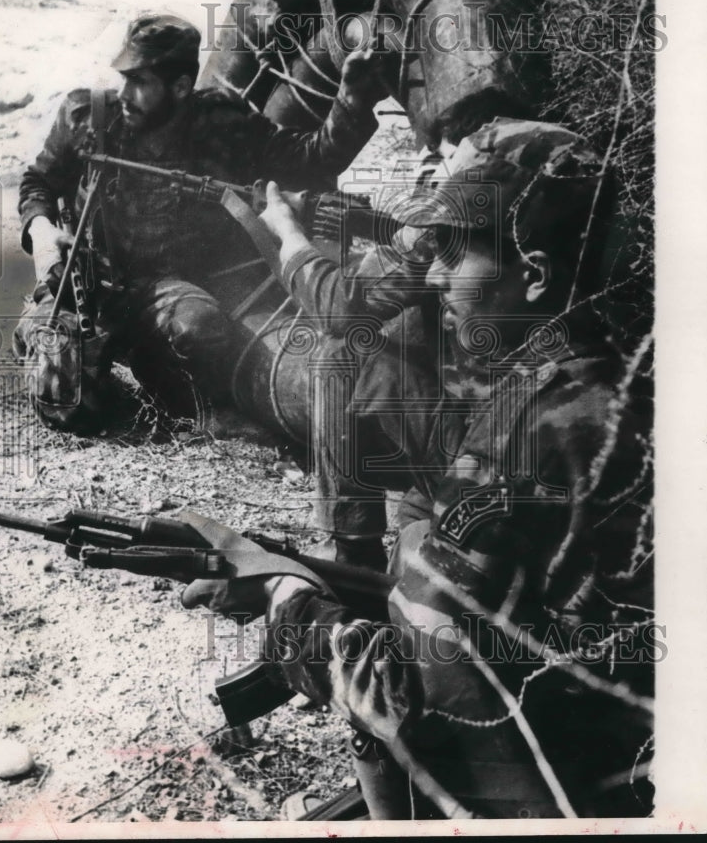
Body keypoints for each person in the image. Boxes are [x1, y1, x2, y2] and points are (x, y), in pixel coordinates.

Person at [183, 118, 654, 818]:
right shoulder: (620, 384)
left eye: (456, 255)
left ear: (533, 276)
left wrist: (284, 601)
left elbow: (404, 687)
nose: (434, 275)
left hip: (564, 784)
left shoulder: (524, 435)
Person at [13, 12, 385, 432]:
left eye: (141, 82)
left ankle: (165, 383)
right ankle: (73, 358)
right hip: (86, 281)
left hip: (163, 290)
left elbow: (307, 161)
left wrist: (352, 101)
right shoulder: (87, 116)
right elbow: (38, 182)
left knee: (203, 329)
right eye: (125, 79)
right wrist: (41, 231)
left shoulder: (222, 122)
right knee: (65, 399)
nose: (126, 93)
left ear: (181, 87)